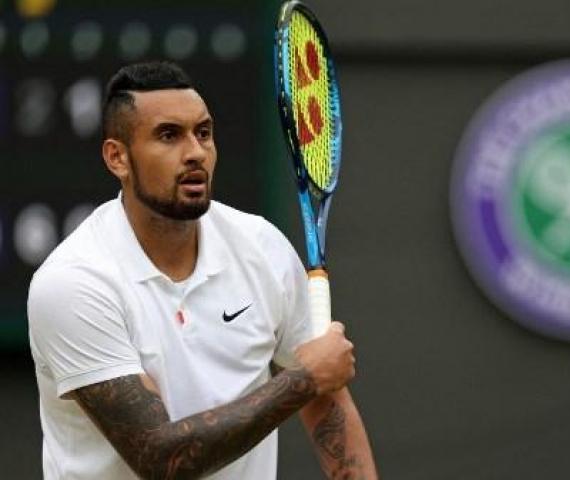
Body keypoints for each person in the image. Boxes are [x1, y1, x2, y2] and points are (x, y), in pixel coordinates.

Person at [27, 61, 378, 480]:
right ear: (117, 157)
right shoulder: (73, 282)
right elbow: (159, 457)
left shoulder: (261, 248)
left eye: (204, 133)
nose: (195, 152)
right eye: (168, 135)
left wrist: (312, 382)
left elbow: (328, 402)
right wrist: (302, 380)